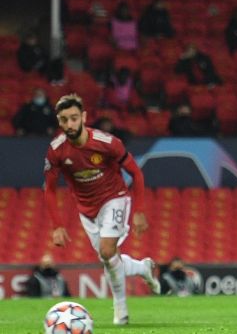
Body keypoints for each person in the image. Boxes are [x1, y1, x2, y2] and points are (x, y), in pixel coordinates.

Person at [44, 94, 161, 325]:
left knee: (107, 252)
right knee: (110, 259)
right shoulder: (56, 150)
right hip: (86, 209)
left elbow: (136, 173)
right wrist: (57, 225)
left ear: (84, 117)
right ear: (59, 122)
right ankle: (143, 268)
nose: (70, 124)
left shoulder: (107, 143)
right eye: (64, 120)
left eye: (74, 118)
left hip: (114, 199)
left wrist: (138, 210)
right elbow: (48, 189)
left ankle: (121, 311)